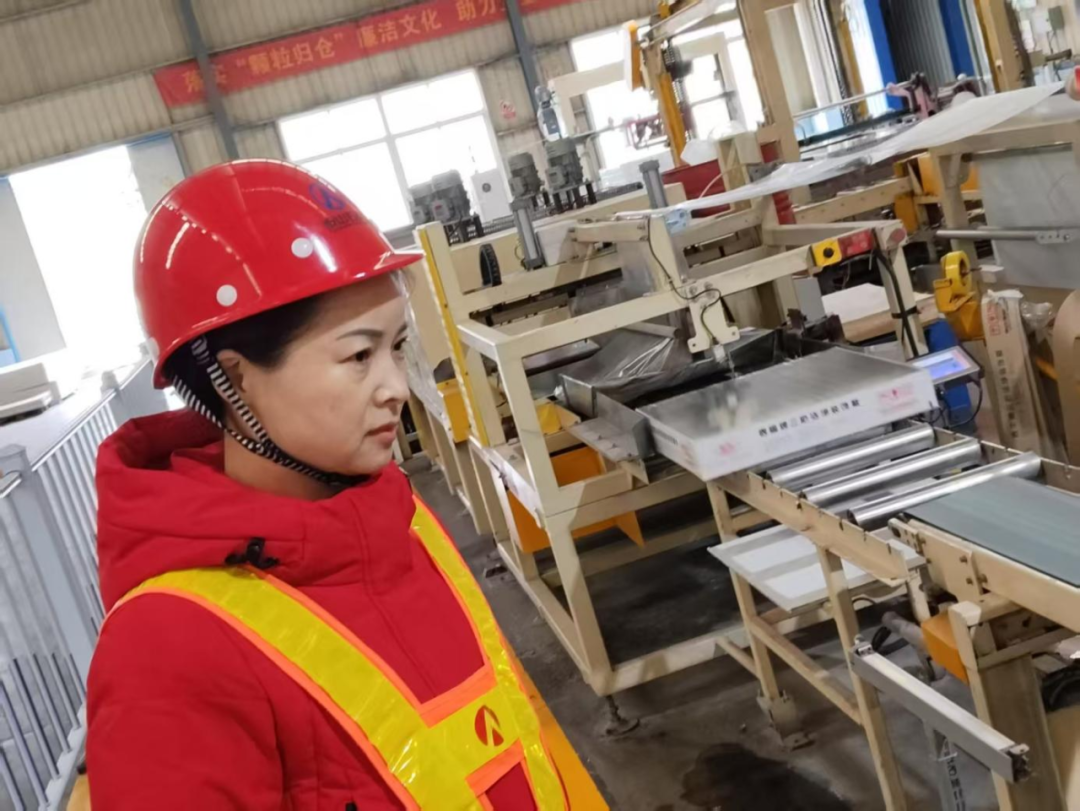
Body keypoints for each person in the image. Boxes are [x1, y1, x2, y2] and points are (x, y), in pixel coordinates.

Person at [87, 160, 572, 809]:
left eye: (397, 347)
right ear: (235, 378)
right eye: (359, 355)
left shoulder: (400, 522)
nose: (396, 388)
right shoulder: (166, 648)